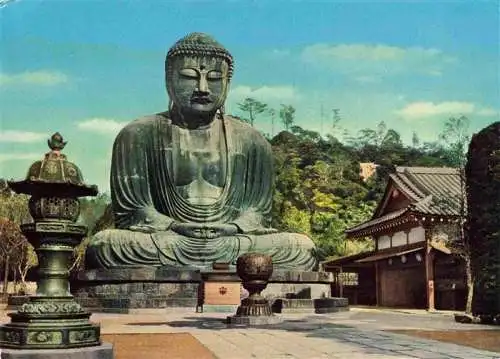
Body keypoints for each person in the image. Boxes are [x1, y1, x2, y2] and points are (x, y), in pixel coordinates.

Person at [86, 32, 317, 271]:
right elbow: (133, 212)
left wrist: (234, 227)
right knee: (106, 244)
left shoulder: (252, 141)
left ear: (228, 82)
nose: (202, 88)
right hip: (169, 239)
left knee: (301, 247)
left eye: (215, 78)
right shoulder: (137, 134)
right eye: (189, 77)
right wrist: (174, 225)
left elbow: (258, 213)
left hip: (231, 241)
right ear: (169, 79)